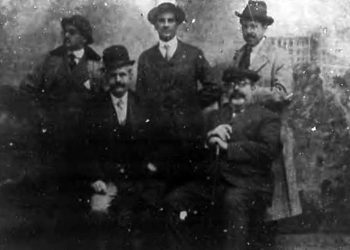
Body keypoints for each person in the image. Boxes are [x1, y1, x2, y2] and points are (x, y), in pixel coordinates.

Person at [163, 67, 281, 250]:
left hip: (248, 184)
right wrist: (208, 140)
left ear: (253, 88)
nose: (236, 89)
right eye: (231, 85)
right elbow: (194, 152)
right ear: (225, 89)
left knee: (232, 201)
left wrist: (228, 148)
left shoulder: (267, 117)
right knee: (175, 200)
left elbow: (268, 151)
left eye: (242, 84)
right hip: (214, 182)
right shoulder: (214, 117)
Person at [136, 1, 219, 191]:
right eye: (161, 21)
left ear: (177, 24)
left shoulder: (193, 54)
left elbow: (213, 87)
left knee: (188, 190)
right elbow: (140, 98)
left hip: (188, 136)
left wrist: (191, 103)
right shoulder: (146, 58)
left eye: (170, 21)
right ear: (155, 25)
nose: (165, 25)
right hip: (158, 139)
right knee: (160, 190)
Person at [232, 0, 302, 223]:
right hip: (244, 130)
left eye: (254, 26)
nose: (249, 31)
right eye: (245, 26)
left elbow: (283, 93)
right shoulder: (238, 55)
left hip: (269, 131)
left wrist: (249, 95)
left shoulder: (278, 55)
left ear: (264, 28)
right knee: (243, 192)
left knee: (270, 202)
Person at [82, 45, 150, 249]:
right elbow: (84, 148)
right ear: (106, 77)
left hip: (138, 180)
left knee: (146, 216)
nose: (119, 80)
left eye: (122, 74)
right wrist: (95, 177)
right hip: (107, 180)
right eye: (113, 75)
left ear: (130, 75)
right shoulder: (93, 108)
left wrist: (150, 168)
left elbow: (157, 144)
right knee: (99, 212)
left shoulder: (144, 105)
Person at [20, 14, 101, 177]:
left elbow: (103, 100)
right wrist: (40, 116)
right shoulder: (51, 60)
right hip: (52, 134)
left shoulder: (96, 64)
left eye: (72, 32)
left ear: (84, 38)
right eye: (65, 32)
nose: (66, 36)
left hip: (83, 138)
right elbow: (27, 88)